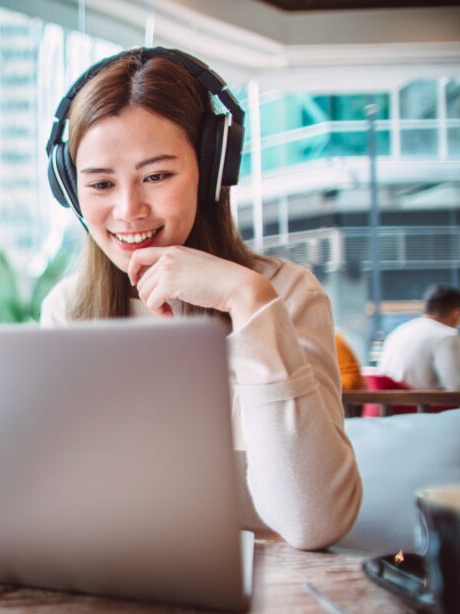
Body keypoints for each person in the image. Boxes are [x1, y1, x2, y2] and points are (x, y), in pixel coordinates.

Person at [40, 47, 361, 550]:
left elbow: (313, 522)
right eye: (101, 183)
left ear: (212, 169)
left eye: (157, 176)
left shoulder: (287, 294)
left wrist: (248, 301)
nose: (129, 210)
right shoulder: (67, 309)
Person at [378, 284, 460, 391]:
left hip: (387, 406)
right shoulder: (446, 336)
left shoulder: (399, 331)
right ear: (456, 313)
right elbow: (456, 387)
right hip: (423, 406)